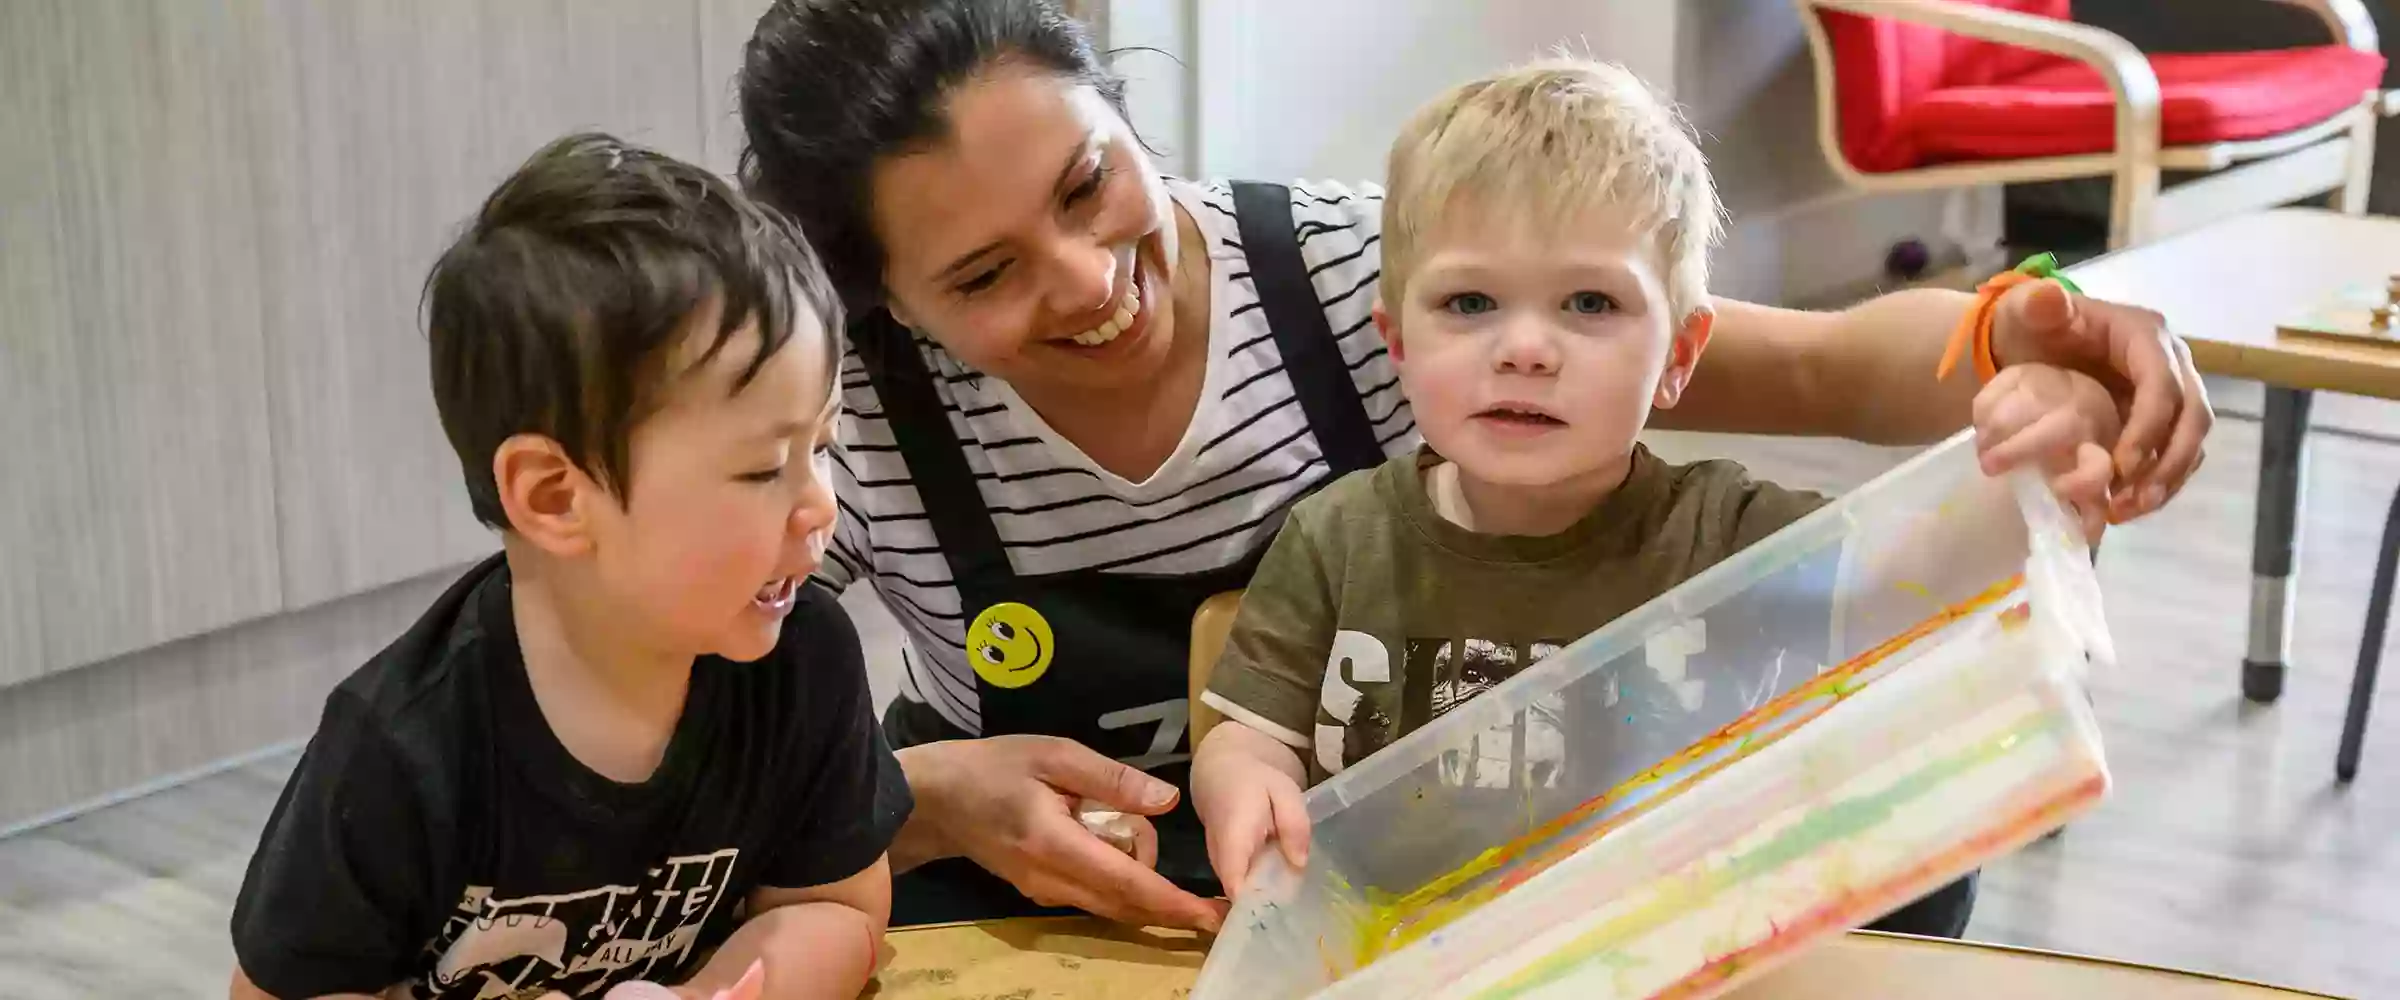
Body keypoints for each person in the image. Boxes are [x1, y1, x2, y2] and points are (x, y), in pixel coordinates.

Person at [733, 0, 2211, 934]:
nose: (1089, 281)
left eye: (1088, 182)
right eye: (987, 275)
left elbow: (1824, 367)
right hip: (1040, 926)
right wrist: (917, 792)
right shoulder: (849, 414)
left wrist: (2032, 329)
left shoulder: (1347, 274)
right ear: (887, 304)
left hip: (1426, 907)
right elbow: (642, 715)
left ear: (1119, 106)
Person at [1187, 57, 2122, 942]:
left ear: (1679, 355)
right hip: (1396, 956)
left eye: (1590, 305)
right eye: (1469, 303)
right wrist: (1244, 784)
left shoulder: (1732, 537)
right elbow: (1248, 738)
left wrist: (2049, 468)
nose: (1525, 348)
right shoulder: (1333, 537)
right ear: (1397, 341)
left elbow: (1964, 571)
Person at [226, 134, 909, 1000]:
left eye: (823, 444)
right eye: (762, 469)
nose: (822, 506)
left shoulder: (803, 662)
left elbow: (839, 910)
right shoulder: (402, 749)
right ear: (554, 497)